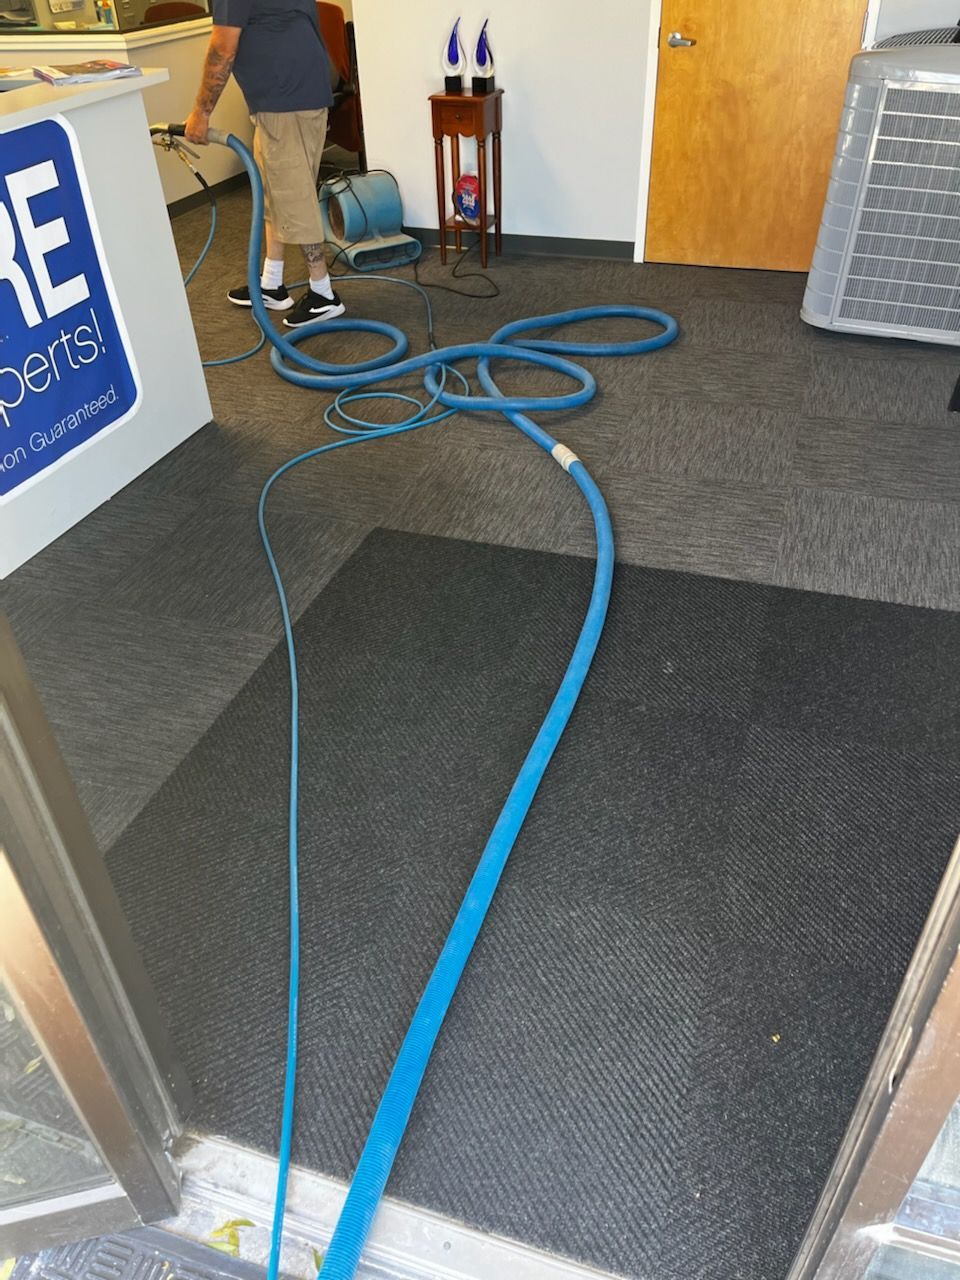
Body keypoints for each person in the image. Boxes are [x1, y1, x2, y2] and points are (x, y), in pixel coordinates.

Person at [184, 0, 344, 328]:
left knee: (294, 196)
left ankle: (323, 293)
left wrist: (201, 111)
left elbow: (223, 47)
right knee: (274, 189)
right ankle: (272, 283)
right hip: (295, 94)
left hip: (285, 100)